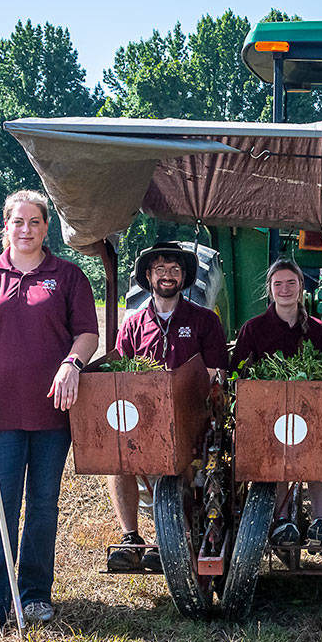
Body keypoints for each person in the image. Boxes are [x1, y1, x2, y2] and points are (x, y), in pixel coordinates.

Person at [0, 191, 99, 642]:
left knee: (42, 507)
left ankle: (35, 593)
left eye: (34, 221)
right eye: (18, 221)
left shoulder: (68, 276)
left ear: (46, 228)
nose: (26, 229)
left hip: (54, 414)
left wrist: (71, 364)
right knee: (1, 507)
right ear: (6, 226)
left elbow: (88, 335)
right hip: (0, 415)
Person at [106, 241, 227, 571]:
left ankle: (172, 538)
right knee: (117, 459)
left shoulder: (204, 321)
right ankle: (130, 538)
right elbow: (121, 373)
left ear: (184, 277)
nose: (167, 276)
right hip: (143, 417)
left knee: (179, 457)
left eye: (175, 270)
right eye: (160, 270)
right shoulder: (133, 324)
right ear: (149, 276)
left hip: (189, 415)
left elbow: (216, 373)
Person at [230, 258, 322, 550]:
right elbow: (238, 373)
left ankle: (320, 521)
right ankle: (283, 519)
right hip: (268, 413)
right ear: (270, 289)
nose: (285, 289)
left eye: (291, 283)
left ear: (301, 288)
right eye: (279, 284)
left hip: (311, 412)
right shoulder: (254, 329)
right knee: (275, 446)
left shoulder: (317, 331)